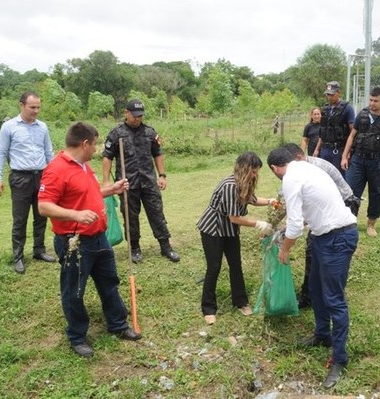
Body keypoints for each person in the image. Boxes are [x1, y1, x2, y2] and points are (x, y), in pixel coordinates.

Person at [38, 122, 141, 358]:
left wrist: (112, 188)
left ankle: (117, 324)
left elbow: (91, 192)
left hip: (98, 238)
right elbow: (43, 206)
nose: (96, 149)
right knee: (74, 290)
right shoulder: (56, 169)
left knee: (109, 281)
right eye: (94, 144)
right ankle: (77, 336)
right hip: (74, 242)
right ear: (85, 143)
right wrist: (76, 215)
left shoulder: (83, 166)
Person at [267, 147, 358, 389]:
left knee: (334, 299)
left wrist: (284, 250)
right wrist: (284, 230)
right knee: (316, 290)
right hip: (322, 236)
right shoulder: (307, 168)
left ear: (275, 168)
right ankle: (322, 335)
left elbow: (296, 226)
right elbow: (312, 208)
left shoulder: (290, 178)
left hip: (337, 238)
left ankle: (340, 358)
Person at [197, 151, 275, 325]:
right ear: (245, 169)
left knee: (236, 265)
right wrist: (258, 224)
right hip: (213, 230)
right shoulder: (230, 186)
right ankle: (208, 308)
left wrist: (270, 201)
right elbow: (234, 218)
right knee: (214, 266)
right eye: (254, 171)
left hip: (230, 231)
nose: (256, 175)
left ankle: (240, 301)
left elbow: (252, 199)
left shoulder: (243, 183)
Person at [102, 99, 180, 263]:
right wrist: (106, 181)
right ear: (126, 113)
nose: (138, 119)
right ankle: (135, 248)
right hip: (127, 182)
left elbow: (157, 154)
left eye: (140, 116)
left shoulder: (150, 133)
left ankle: (165, 246)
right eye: (135, 116)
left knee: (157, 213)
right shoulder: (117, 133)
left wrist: (162, 175)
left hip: (148, 181)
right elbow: (107, 157)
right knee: (130, 216)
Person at [283, 143, 360, 309]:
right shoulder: (302, 170)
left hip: (343, 207)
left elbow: (319, 205)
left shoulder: (314, 168)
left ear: (296, 159)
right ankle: (313, 293)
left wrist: (287, 240)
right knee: (314, 250)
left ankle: (327, 293)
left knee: (319, 252)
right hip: (327, 211)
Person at [0, 91, 56, 274]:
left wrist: (53, 176)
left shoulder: (42, 127)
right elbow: (1, 153)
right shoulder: (9, 127)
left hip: (41, 176)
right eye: (32, 107)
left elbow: (48, 152)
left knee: (41, 214)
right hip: (20, 177)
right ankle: (18, 256)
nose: (36, 111)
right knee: (20, 219)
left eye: (38, 107)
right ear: (21, 105)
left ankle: (39, 250)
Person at [341, 86, 380, 237]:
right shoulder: (362, 115)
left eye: (376, 100)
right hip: (358, 160)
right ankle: (349, 223)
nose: (372, 103)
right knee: (351, 193)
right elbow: (352, 136)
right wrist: (345, 156)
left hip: (377, 162)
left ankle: (371, 224)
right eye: (370, 100)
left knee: (376, 193)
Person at [314, 81, 356, 177]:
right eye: (327, 94)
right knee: (325, 177)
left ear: (339, 93)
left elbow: (353, 132)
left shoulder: (347, 108)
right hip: (325, 149)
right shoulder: (325, 109)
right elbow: (323, 131)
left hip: (339, 150)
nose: (329, 97)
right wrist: (317, 149)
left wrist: (348, 152)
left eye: (332, 94)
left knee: (339, 178)